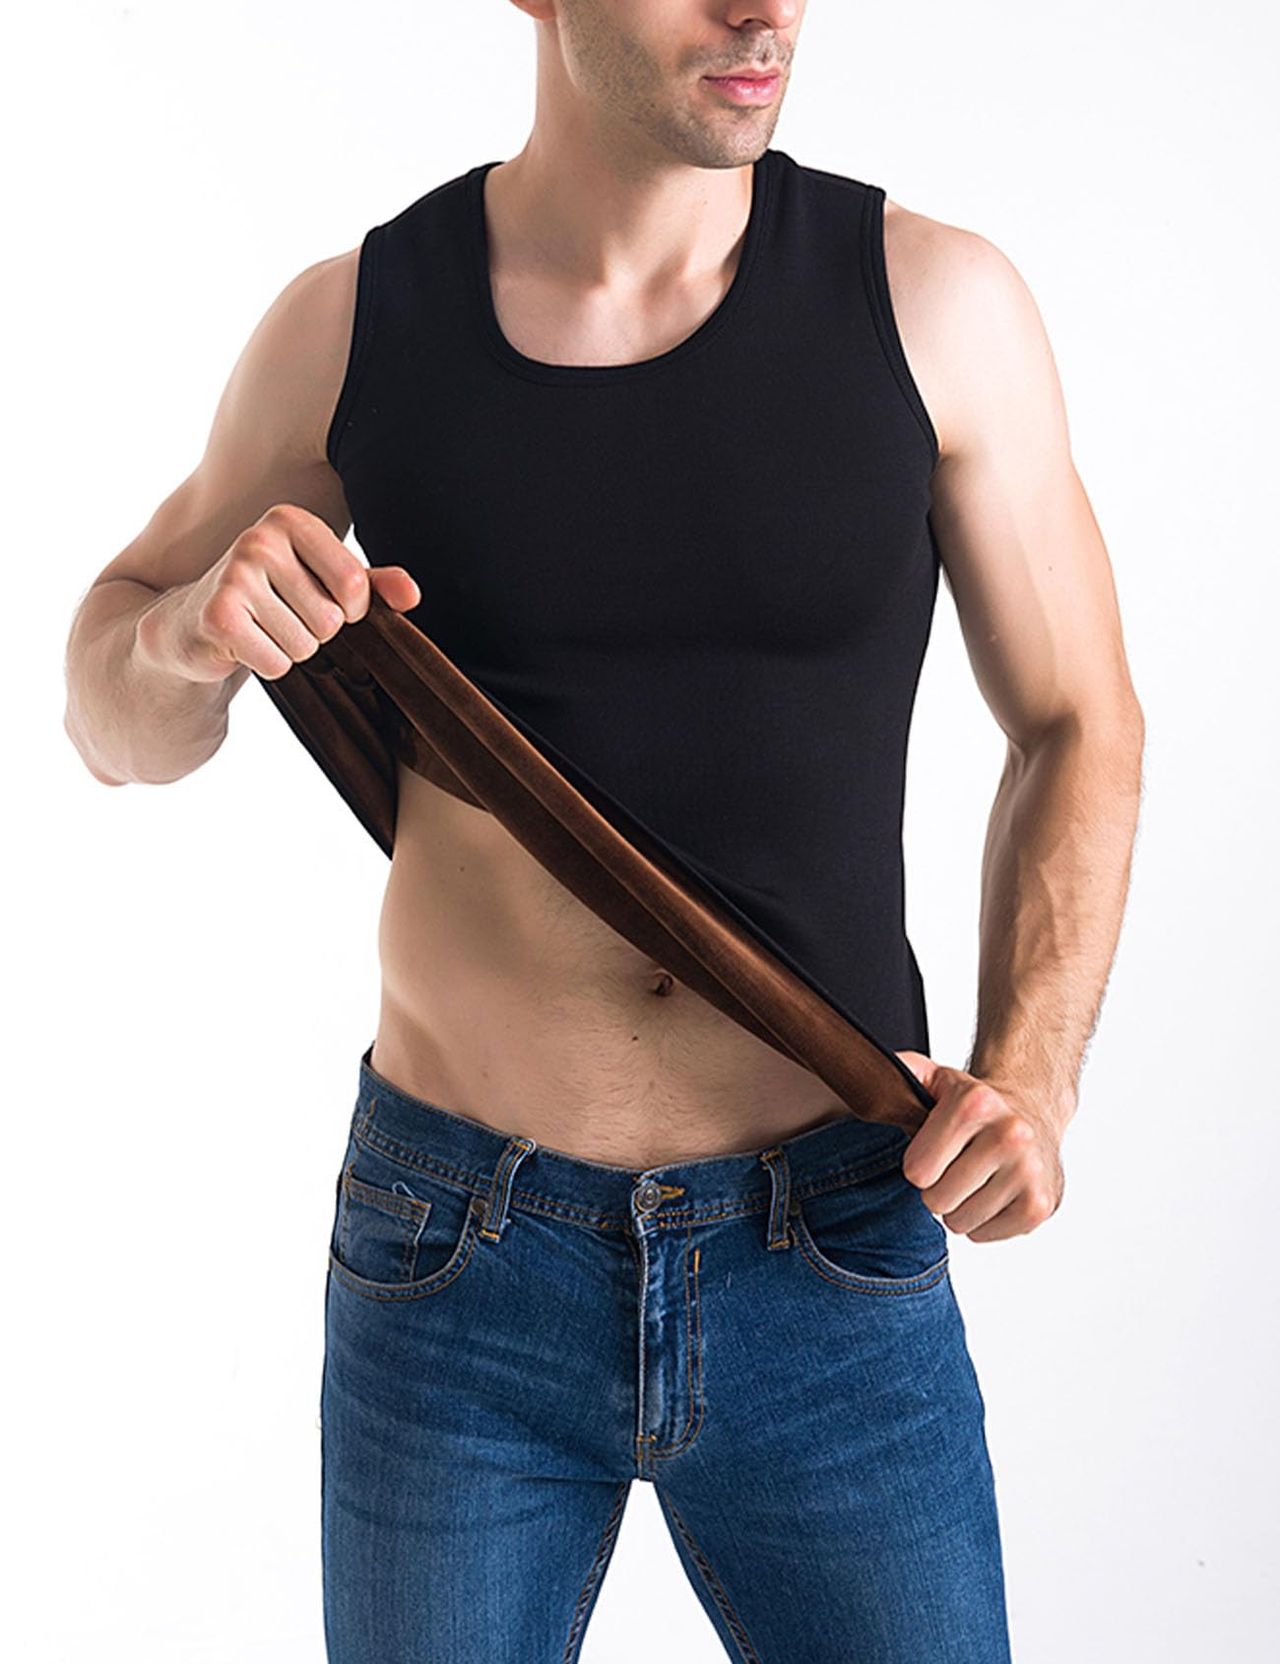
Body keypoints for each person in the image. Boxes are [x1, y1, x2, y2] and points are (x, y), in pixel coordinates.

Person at [62, 3, 1144, 1660]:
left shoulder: (937, 304)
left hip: (831, 1241)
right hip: (456, 1256)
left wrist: (1036, 1075)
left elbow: (1080, 721)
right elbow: (110, 724)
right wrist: (187, 632)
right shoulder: (353, 323)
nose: (762, 10)